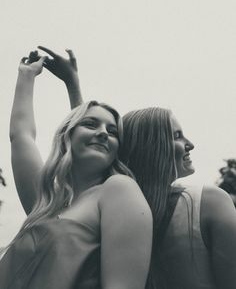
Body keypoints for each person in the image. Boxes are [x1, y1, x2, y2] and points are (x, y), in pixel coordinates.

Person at [15, 47, 236, 289]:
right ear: (151, 144)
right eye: (177, 135)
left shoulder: (122, 198)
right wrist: (38, 78)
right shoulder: (61, 205)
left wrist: (73, 88)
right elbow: (28, 138)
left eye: (112, 132)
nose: (190, 144)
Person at [0, 54, 153, 289]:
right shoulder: (45, 202)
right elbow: (20, 136)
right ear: (67, 135)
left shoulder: (118, 190)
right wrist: (26, 75)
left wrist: (74, 88)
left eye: (112, 132)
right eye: (91, 125)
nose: (103, 133)